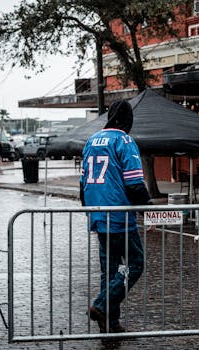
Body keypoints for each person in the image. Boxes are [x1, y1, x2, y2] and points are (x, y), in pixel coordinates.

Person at [80, 100, 151, 334]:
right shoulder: (124, 141)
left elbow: (83, 184)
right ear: (127, 120)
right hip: (119, 214)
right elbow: (134, 184)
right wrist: (147, 207)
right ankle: (101, 304)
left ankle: (109, 323)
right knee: (136, 264)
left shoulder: (91, 140)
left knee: (110, 270)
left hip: (98, 215)